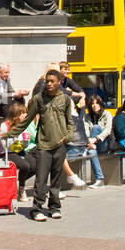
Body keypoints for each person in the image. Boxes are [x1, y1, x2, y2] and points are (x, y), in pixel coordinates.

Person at [7, 69, 74, 221]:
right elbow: (26, 121)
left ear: (58, 82)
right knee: (41, 179)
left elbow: (70, 122)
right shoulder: (38, 99)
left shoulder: (65, 99)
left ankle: (54, 207)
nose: (49, 84)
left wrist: (68, 136)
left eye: (52, 81)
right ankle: (36, 209)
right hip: (43, 146)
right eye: (47, 81)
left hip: (60, 145)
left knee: (56, 178)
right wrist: (8, 134)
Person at [33, 60, 87, 189]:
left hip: (51, 123)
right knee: (53, 152)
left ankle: (58, 186)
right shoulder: (44, 83)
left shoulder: (54, 83)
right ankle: (68, 177)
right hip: (44, 124)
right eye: (57, 71)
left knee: (56, 152)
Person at [0, 100, 38, 201]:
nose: (25, 115)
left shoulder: (23, 125)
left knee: (35, 166)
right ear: (16, 114)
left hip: (19, 150)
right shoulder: (5, 125)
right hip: (7, 153)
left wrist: (25, 142)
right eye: (23, 113)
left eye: (26, 112)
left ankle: (18, 183)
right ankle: (21, 190)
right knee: (25, 166)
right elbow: (5, 146)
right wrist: (19, 141)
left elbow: (24, 146)